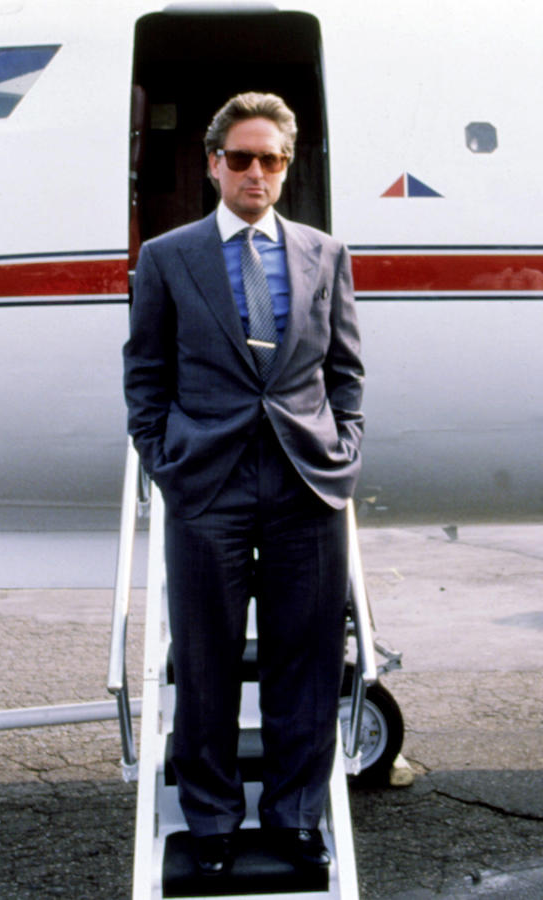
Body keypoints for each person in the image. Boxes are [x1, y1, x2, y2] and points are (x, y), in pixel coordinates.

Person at [123, 92, 364, 875]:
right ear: (212, 164)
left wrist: (344, 445)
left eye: (271, 159)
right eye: (241, 157)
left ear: (286, 168)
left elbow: (344, 370)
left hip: (305, 484)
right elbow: (146, 374)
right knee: (204, 661)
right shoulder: (168, 257)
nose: (256, 171)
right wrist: (164, 456)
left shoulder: (326, 254)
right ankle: (213, 822)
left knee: (308, 659)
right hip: (207, 486)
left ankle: (296, 818)